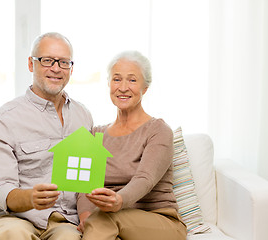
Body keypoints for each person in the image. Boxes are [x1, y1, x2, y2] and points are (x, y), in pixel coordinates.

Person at [0, 32, 93, 240]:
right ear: (32, 64)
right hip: (13, 218)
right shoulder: (2, 120)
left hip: (65, 221)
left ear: (71, 68)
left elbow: (85, 180)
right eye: (47, 60)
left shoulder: (83, 116)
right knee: (12, 235)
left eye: (64, 62)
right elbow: (0, 190)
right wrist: (30, 198)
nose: (56, 68)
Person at [76, 51, 187, 240]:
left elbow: (145, 178)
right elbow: (84, 185)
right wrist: (86, 216)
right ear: (109, 84)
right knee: (99, 221)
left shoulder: (158, 130)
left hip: (159, 220)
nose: (123, 87)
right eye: (117, 79)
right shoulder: (96, 134)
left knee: (102, 220)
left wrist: (118, 201)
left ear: (145, 88)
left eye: (132, 80)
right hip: (108, 220)